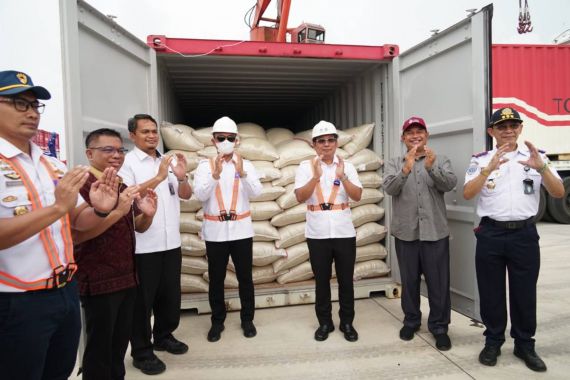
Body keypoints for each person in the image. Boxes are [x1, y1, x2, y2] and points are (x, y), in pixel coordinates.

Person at [0, 70, 118, 380]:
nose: (30, 113)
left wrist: (101, 210)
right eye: (18, 103)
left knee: (59, 372)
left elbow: (78, 221)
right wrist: (56, 208)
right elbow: (60, 210)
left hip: (64, 293)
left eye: (34, 106)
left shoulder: (52, 164)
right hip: (16, 302)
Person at [464, 107, 564, 372]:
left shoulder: (536, 157)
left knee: (524, 293)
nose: (508, 130)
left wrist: (541, 168)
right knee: (491, 292)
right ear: (491, 132)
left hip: (524, 235)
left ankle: (524, 344)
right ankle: (493, 341)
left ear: (520, 128)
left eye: (513, 126)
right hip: (491, 234)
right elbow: (467, 193)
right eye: (501, 126)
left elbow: (558, 191)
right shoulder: (481, 160)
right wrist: (487, 171)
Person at [73, 128, 158, 380]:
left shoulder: (121, 184)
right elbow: (80, 234)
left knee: (119, 347)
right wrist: (118, 211)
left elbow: (137, 227)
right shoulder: (83, 184)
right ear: (90, 153)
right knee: (99, 350)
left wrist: (148, 215)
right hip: (99, 280)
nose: (116, 155)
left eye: (120, 150)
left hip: (127, 276)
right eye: (107, 150)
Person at [119, 114, 192, 375]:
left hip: (170, 242)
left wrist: (181, 178)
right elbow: (126, 196)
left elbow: (185, 195)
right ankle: (141, 351)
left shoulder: (167, 161)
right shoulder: (127, 164)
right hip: (143, 246)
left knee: (169, 296)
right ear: (133, 136)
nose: (152, 135)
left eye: (154, 131)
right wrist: (160, 177)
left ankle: (164, 336)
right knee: (142, 303)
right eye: (145, 131)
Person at [383, 116, 457, 351]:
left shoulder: (440, 159)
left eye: (419, 132)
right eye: (410, 133)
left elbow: (449, 184)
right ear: (403, 138)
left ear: (427, 135)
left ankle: (439, 327)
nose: (415, 136)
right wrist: (406, 169)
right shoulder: (395, 163)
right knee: (410, 281)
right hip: (406, 233)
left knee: (438, 283)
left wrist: (431, 167)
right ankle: (411, 321)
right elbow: (389, 188)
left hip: (435, 232)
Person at [193, 116, 262, 342]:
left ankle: (247, 319)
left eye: (229, 138)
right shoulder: (205, 166)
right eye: (221, 138)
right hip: (215, 231)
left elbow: (257, 193)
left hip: (241, 230)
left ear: (237, 140)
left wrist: (242, 173)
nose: (225, 141)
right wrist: (214, 176)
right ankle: (217, 321)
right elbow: (200, 195)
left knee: (245, 277)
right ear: (213, 140)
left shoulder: (246, 165)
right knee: (216, 278)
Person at [294, 120, 362, 342]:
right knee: (322, 281)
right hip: (317, 233)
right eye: (321, 141)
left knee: (345, 280)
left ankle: (347, 322)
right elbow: (300, 197)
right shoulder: (305, 167)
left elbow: (358, 195)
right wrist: (315, 176)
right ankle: (325, 323)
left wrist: (342, 177)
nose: (326, 145)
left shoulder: (347, 166)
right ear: (314, 145)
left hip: (343, 232)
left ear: (336, 143)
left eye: (330, 140)